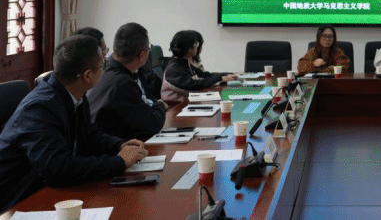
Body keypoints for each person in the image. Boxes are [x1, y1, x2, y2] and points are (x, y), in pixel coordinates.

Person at [0, 35, 148, 213]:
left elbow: (89, 134)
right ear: (88, 75)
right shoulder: (39, 108)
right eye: (103, 64)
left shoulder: (73, 93)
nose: (105, 69)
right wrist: (119, 162)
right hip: (17, 203)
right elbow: (57, 168)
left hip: (48, 191)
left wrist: (119, 145)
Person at [87, 23, 168, 140]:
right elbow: (153, 124)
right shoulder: (123, 82)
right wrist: (160, 105)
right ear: (142, 55)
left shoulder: (105, 70)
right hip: (109, 146)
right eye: (149, 50)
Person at [160, 30, 236, 102]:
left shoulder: (183, 63)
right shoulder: (174, 68)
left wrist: (226, 74)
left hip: (187, 100)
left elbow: (204, 75)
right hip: (175, 106)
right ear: (189, 48)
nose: (197, 47)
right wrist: (219, 78)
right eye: (196, 44)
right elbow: (192, 85)